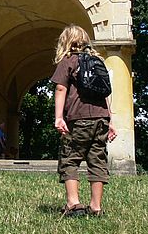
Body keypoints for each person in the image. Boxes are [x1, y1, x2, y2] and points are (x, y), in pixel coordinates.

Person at [50, 24, 117, 218]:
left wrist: (58, 117)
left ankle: (74, 203)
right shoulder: (98, 61)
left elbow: (61, 89)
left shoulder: (68, 61)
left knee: (69, 158)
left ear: (66, 42)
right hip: (101, 119)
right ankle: (96, 207)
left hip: (78, 119)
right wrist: (110, 120)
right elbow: (106, 94)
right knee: (97, 160)